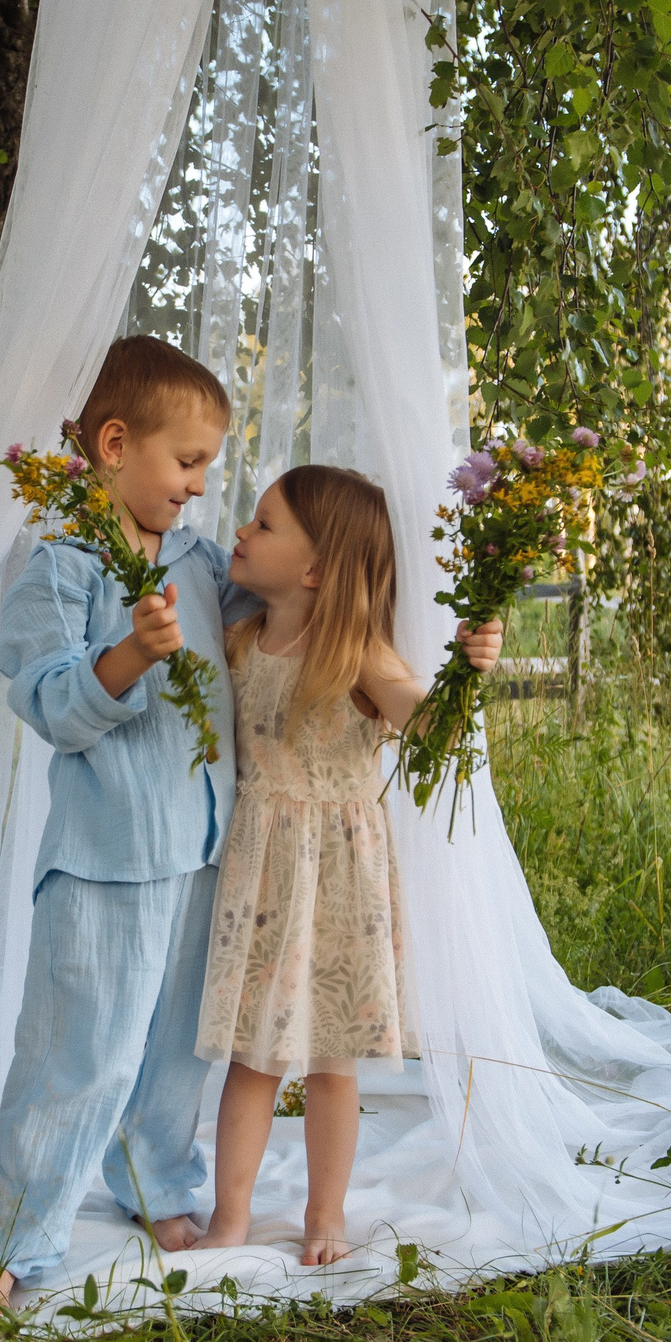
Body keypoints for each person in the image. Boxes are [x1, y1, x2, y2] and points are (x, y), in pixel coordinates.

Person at [0, 336, 251, 1306]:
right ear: (115, 444)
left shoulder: (199, 562)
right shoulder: (62, 566)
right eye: (187, 460)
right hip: (106, 853)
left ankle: (153, 1178)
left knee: (176, 1048)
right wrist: (129, 655)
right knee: (80, 1051)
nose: (199, 483)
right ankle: (10, 1233)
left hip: (200, 844)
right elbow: (49, 703)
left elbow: (273, 621)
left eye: (207, 464)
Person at [191, 466, 498, 1264]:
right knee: (254, 1057)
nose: (242, 531)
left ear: (317, 569)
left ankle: (324, 1212)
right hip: (264, 876)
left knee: (331, 1061)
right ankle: (230, 1216)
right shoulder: (239, 641)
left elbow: (428, 727)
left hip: (339, 879)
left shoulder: (357, 653)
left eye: (264, 524)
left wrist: (468, 671)